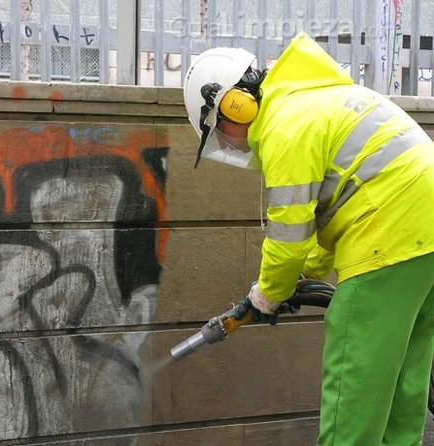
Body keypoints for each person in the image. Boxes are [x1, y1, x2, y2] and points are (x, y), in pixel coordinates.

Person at [183, 31, 434, 445]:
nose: (227, 142)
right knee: (402, 382)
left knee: (356, 385)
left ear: (235, 103)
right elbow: (323, 220)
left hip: (387, 234)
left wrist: (267, 295)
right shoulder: (310, 101)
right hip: (421, 233)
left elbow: (288, 238)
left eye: (218, 129)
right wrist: (297, 280)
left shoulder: (285, 127)